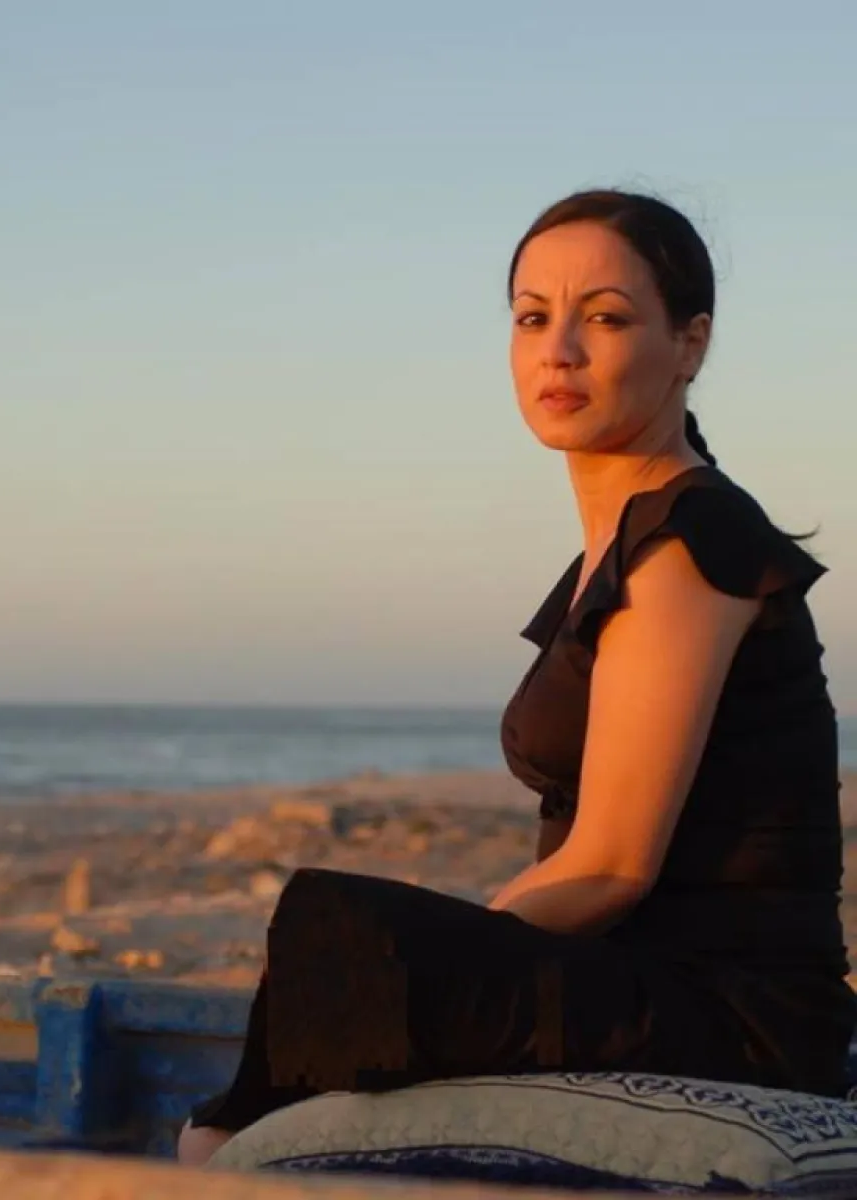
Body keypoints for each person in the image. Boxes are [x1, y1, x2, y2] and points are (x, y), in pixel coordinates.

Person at [178, 188, 855, 1167]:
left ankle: (217, 1143)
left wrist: (464, 948)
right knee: (335, 942)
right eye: (533, 318)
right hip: (635, 974)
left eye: (606, 318)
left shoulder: (689, 542)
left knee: (340, 930)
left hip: (733, 1009)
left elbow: (611, 867)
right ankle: (225, 1137)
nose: (559, 351)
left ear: (690, 343)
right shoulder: (611, 553)